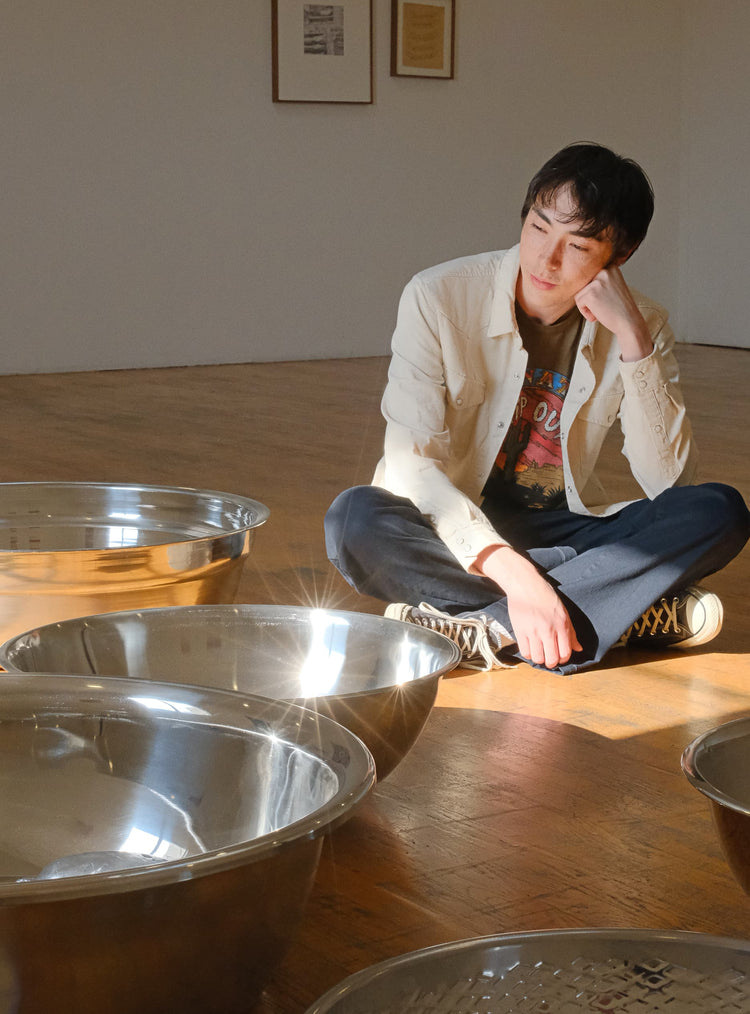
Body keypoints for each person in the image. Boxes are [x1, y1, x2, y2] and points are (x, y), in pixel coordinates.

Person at [324, 142, 750, 673]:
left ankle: (491, 629)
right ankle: (608, 610)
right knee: (354, 520)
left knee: (718, 510)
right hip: (451, 525)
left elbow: (670, 482)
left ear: (620, 255)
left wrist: (634, 339)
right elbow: (413, 465)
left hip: (559, 528)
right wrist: (517, 575)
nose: (546, 259)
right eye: (539, 227)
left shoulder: (642, 323)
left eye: (578, 245)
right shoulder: (437, 297)